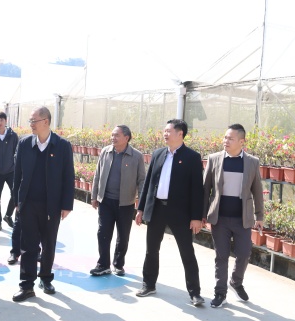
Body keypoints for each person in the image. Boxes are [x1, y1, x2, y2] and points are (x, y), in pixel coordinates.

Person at [135, 119, 205, 306]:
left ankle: (195, 293)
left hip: (180, 213)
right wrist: (141, 208)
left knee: (187, 252)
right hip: (157, 208)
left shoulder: (192, 157)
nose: (165, 134)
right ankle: (149, 284)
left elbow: (197, 190)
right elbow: (148, 183)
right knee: (151, 249)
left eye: (168, 131)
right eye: (164, 131)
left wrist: (196, 217)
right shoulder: (158, 154)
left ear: (180, 133)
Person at [11, 106, 74, 302]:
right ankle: (26, 285)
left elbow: (68, 176)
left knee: (48, 244)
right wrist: (17, 201)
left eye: (34, 121)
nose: (31, 124)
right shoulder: (24, 144)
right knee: (28, 246)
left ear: (45, 122)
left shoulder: (62, 145)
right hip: (28, 204)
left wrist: (66, 205)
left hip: (51, 205)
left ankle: (46, 278)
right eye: (30, 121)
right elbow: (17, 175)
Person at [202, 123, 264, 308]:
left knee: (244, 254)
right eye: (225, 137)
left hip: (242, 219)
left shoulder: (252, 162)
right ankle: (220, 293)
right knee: (221, 256)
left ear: (241, 142)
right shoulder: (214, 159)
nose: (226, 141)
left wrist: (259, 216)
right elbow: (205, 189)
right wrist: (202, 214)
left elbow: (257, 191)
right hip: (219, 218)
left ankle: (236, 282)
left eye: (230, 138)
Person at [90, 125, 145, 276]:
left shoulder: (136, 156)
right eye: (112, 135)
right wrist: (94, 196)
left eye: (116, 135)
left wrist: (141, 204)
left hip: (125, 203)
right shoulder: (105, 152)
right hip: (106, 201)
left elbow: (142, 181)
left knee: (123, 236)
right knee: (103, 233)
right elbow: (97, 174)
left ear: (126, 138)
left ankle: (118, 264)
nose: (112, 138)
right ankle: (103, 265)